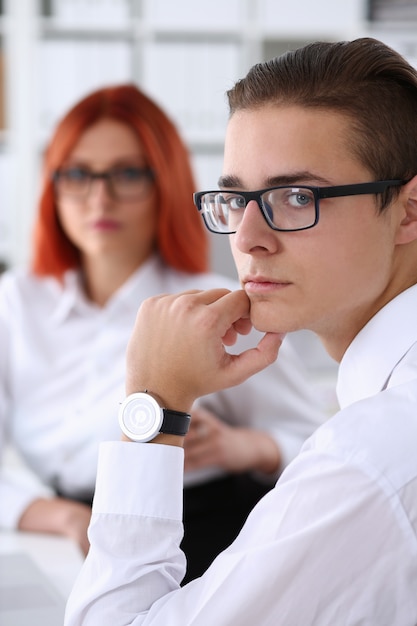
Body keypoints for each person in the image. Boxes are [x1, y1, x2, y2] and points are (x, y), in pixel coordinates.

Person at [64, 37, 417, 625]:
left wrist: (154, 405)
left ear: (408, 211)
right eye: (235, 198)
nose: (248, 237)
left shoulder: (369, 462)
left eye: (296, 195)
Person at [0, 84, 324, 580]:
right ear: (53, 185)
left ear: (165, 182)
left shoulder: (216, 305)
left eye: (127, 173)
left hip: (203, 537)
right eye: (78, 174)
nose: (99, 197)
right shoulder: (17, 303)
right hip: (73, 535)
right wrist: (61, 515)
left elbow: (318, 445)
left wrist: (247, 447)